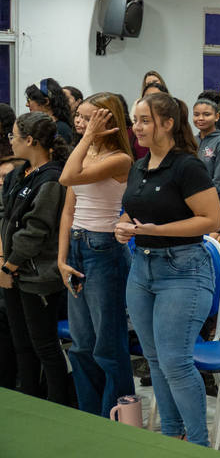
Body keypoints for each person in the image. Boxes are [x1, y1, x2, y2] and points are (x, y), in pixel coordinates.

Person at [117, 93, 220, 446]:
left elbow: (211, 220)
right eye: (135, 120)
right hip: (142, 268)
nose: (137, 127)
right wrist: (122, 225)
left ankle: (198, 447)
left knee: (175, 362)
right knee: (155, 359)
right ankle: (172, 437)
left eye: (144, 120)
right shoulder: (139, 165)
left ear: (167, 124)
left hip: (184, 270)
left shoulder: (187, 166)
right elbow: (132, 211)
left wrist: (154, 230)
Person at [57, 93, 136, 415]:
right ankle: (90, 415)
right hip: (77, 246)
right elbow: (68, 211)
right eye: (80, 117)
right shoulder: (84, 152)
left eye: (90, 118)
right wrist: (61, 259)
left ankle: (115, 417)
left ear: (107, 122)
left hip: (103, 250)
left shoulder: (119, 159)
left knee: (108, 346)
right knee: (82, 344)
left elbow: (67, 177)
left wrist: (88, 138)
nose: (81, 123)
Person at [1, 112, 71, 404]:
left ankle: (57, 404)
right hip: (14, 269)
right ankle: (28, 397)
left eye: (13, 137)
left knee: (44, 345)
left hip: (37, 274)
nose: (10, 142)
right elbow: (6, 218)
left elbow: (36, 231)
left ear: (30, 140)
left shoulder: (52, 179)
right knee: (21, 344)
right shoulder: (20, 173)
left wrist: (9, 265)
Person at [193, 95, 220, 200]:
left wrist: (199, 198)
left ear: (216, 117)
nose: (200, 118)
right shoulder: (192, 141)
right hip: (194, 199)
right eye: (196, 114)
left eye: (206, 114)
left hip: (217, 201)